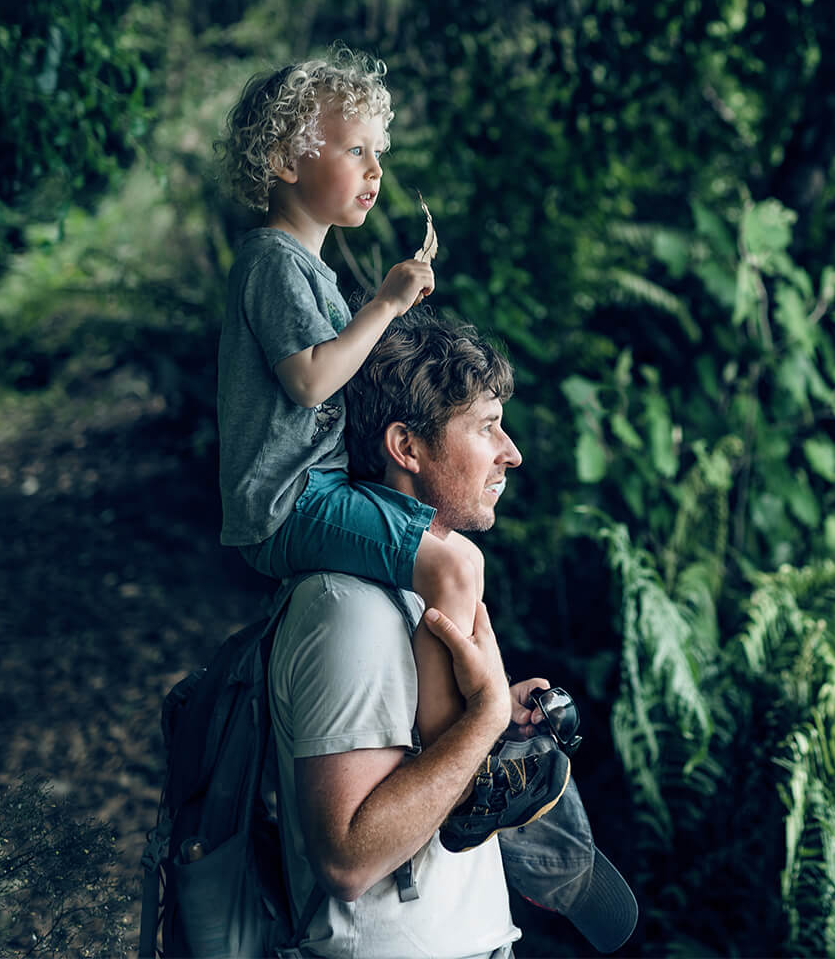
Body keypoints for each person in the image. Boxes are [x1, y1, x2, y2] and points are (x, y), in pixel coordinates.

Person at [214, 48, 560, 848]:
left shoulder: (310, 271)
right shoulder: (273, 261)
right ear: (284, 158)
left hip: (314, 487)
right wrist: (386, 301)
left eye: (379, 153)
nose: (374, 171)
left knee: (447, 556)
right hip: (289, 500)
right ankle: (468, 761)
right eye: (355, 150)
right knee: (454, 563)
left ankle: (487, 710)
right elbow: (309, 382)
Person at [268, 309, 636, 956]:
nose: (511, 453)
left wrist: (491, 721)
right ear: (405, 447)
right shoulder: (346, 610)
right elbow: (348, 860)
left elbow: (418, 762)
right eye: (487, 428)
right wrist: (485, 718)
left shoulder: (422, 588)